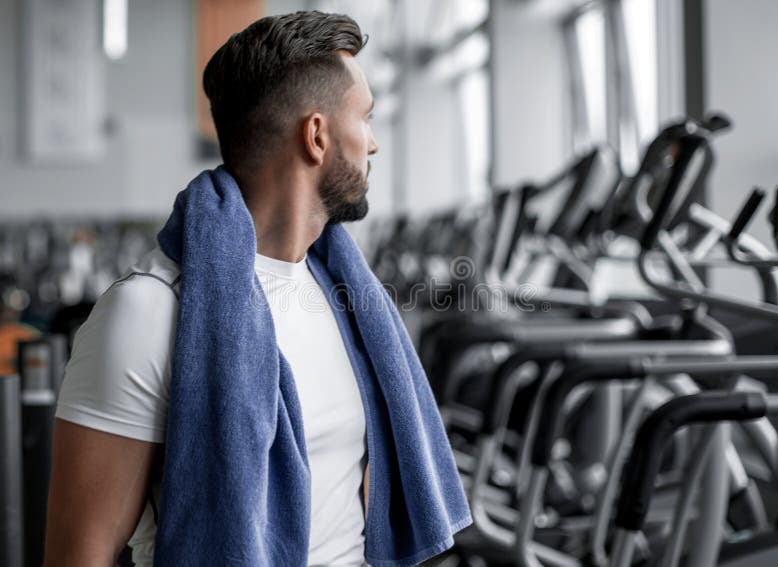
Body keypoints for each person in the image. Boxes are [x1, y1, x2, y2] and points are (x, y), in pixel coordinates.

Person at [44, 11, 470, 567]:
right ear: (316, 136)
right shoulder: (146, 312)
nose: (373, 145)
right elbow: (78, 557)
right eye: (365, 119)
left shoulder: (347, 301)